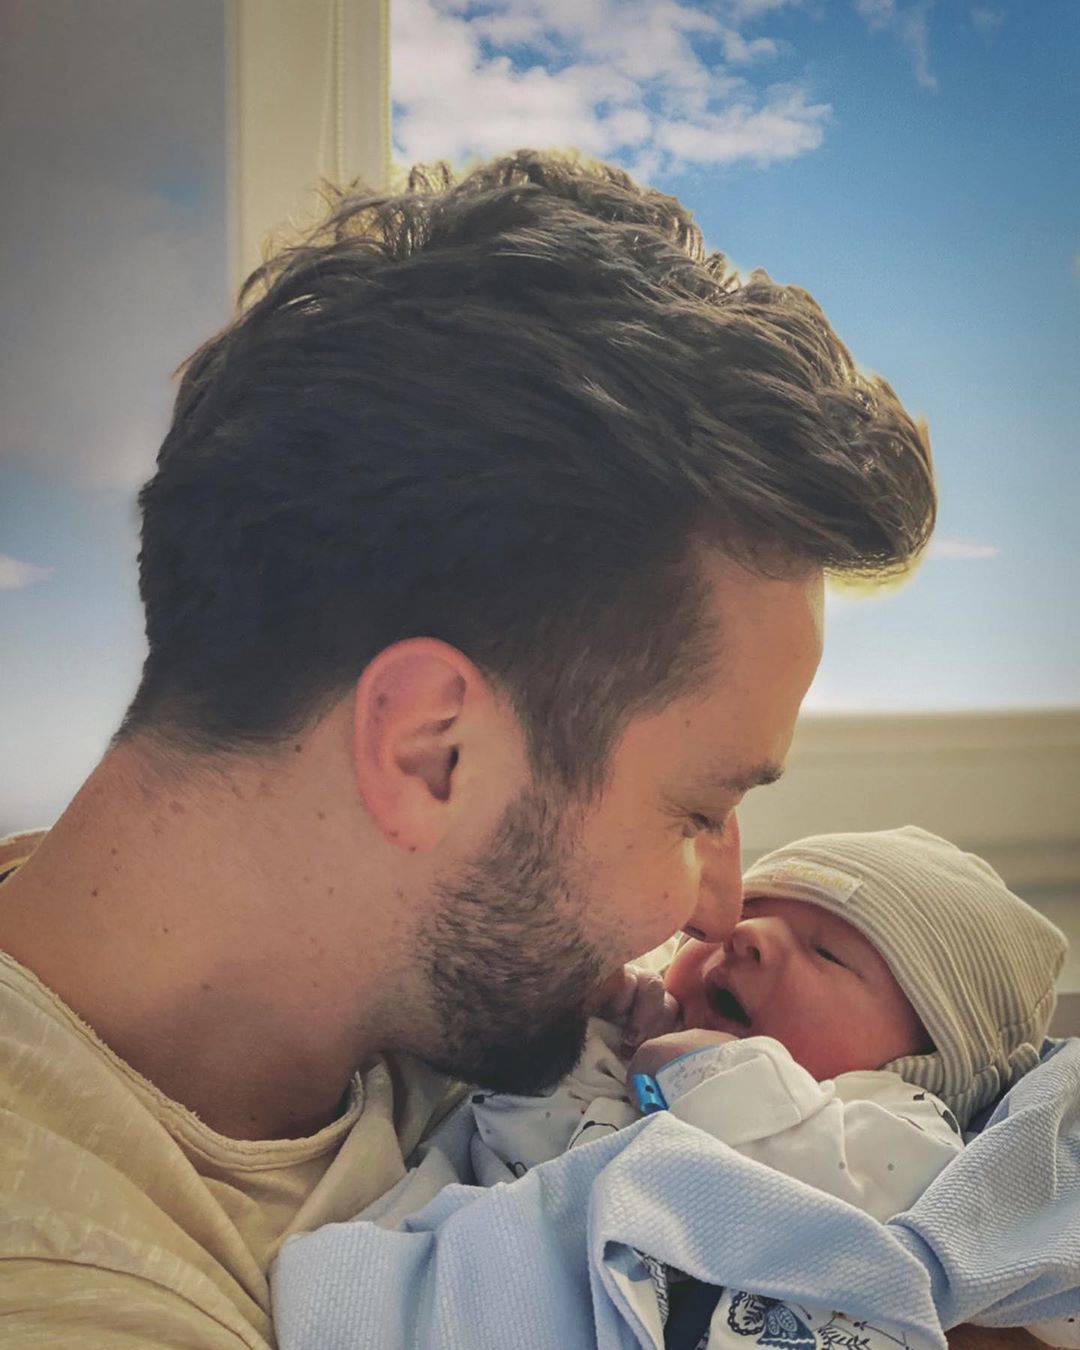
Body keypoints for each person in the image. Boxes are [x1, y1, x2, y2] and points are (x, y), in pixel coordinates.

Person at [1, 145, 1024, 1350]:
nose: (716, 906)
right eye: (696, 812)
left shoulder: (425, 998)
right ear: (432, 753)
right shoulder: (75, 1283)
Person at [466, 826, 1073, 1347]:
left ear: (919, 1062)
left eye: (827, 953)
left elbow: (848, 1208)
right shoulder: (627, 1029)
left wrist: (708, 1073)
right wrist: (576, 1008)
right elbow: (509, 1123)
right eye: (746, 911)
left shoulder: (900, 1122)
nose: (749, 935)